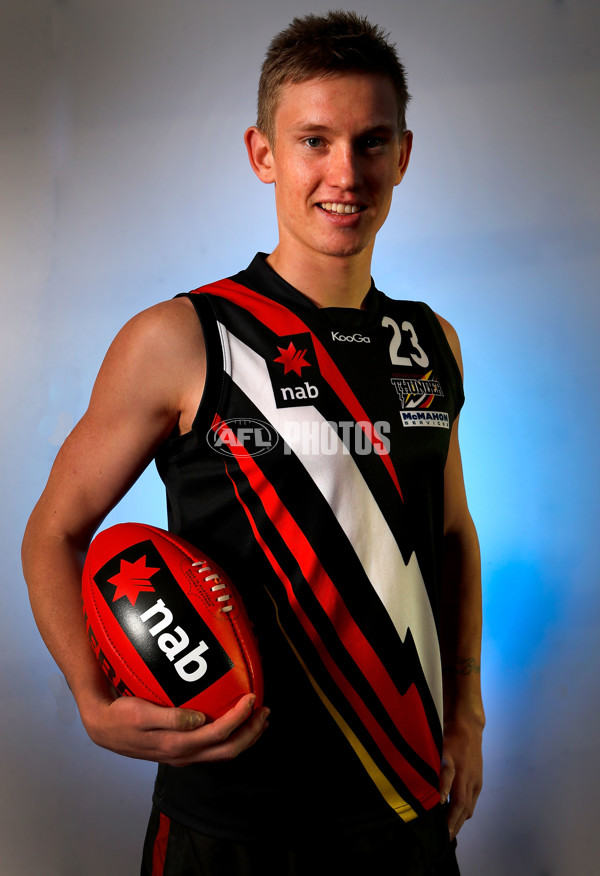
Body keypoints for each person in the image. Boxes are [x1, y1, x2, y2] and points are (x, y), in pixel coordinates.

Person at [22, 11, 484, 875]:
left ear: (403, 155)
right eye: (315, 140)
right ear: (263, 153)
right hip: (231, 816)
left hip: (405, 800)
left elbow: (452, 538)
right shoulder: (182, 338)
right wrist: (90, 696)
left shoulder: (431, 342)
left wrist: (467, 713)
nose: (345, 172)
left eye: (371, 141)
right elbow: (53, 530)